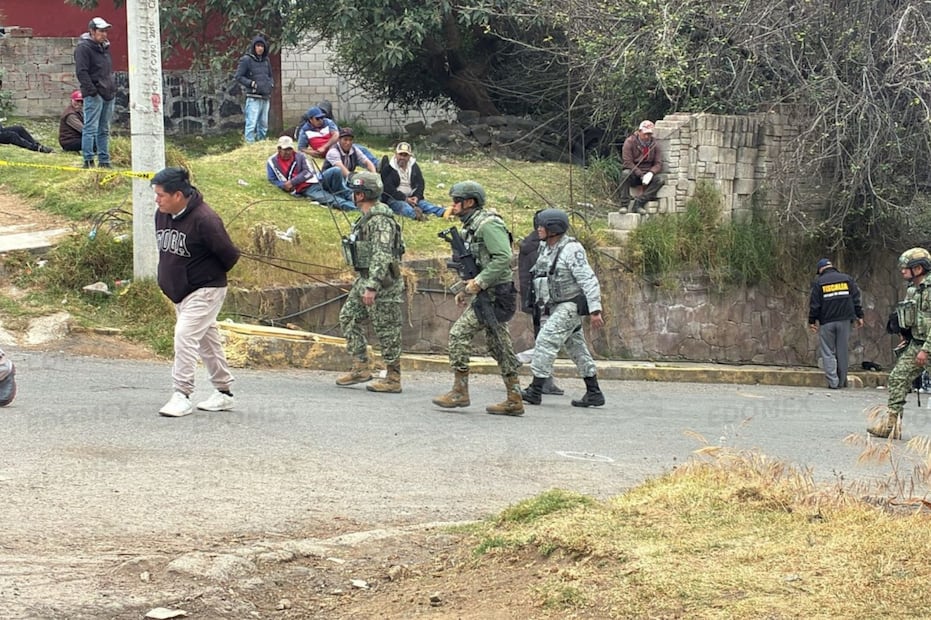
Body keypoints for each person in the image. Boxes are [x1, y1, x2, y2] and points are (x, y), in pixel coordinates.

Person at [151, 167, 241, 418]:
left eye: (161, 195)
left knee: (184, 334)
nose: (157, 200)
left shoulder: (206, 219)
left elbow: (229, 255)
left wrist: (203, 274)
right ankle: (223, 392)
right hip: (181, 292)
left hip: (206, 289)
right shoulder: (161, 215)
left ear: (178, 195)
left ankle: (182, 393)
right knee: (207, 340)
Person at [432, 181, 524, 416]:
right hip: (485, 293)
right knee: (499, 345)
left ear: (469, 202)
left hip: (496, 294)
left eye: (457, 201)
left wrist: (478, 283)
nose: (452, 206)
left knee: (459, 334)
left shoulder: (488, 225)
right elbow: (473, 264)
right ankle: (514, 398)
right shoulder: (470, 227)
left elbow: (503, 258)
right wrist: (464, 289)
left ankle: (460, 392)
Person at [520, 209, 606, 408]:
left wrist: (595, 310)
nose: (538, 229)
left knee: (545, 340)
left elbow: (588, 279)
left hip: (570, 305)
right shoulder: (545, 247)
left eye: (542, 226)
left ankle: (535, 390)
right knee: (577, 348)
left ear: (554, 229)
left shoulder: (571, 249)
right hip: (555, 305)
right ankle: (594, 392)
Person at [335, 171, 406, 393]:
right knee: (348, 317)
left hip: (383, 283)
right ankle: (361, 366)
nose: (353, 196)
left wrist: (372, 286)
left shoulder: (381, 220)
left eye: (356, 192)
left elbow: (382, 254)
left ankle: (393, 378)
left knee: (387, 330)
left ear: (362, 195)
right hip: (365, 278)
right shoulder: (366, 219)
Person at [867, 248, 931, 439]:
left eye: (906, 268)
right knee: (897, 378)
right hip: (916, 344)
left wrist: (926, 350)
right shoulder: (913, 290)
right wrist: (905, 335)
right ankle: (891, 426)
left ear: (918, 269)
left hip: (926, 346)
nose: (902, 271)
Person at [516, 210, 562, 395]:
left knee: (545, 339)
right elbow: (543, 275)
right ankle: (518, 360)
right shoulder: (538, 246)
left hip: (537, 300)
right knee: (549, 340)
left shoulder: (533, 243)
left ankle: (544, 381)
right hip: (542, 301)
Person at [808, 258, 864, 389]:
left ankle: (833, 382)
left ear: (820, 270)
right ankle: (842, 381)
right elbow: (856, 298)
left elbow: (815, 305)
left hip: (827, 322)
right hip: (845, 321)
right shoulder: (847, 279)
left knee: (828, 351)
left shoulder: (819, 282)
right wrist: (859, 315)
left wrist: (812, 321)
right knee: (842, 351)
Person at [266, 136, 355, 211]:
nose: (288, 152)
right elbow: (272, 179)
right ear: (279, 149)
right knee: (332, 200)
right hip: (307, 189)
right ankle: (355, 208)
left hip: (317, 180)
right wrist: (283, 185)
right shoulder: (272, 162)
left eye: (289, 149)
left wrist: (292, 182)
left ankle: (356, 199)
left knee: (336, 171)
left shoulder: (300, 156)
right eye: (285, 150)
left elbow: (309, 172)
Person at [74, 17, 115, 168]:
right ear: (92, 31)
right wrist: (92, 91)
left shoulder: (104, 47)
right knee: (90, 128)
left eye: (106, 31)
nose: (104, 34)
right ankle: (88, 160)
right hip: (95, 93)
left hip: (108, 92)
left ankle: (104, 160)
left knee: (104, 129)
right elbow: (81, 72)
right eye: (101, 31)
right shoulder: (83, 48)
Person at [380, 142, 447, 221]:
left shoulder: (414, 166)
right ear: (396, 154)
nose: (402, 157)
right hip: (395, 199)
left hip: (412, 197)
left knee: (426, 205)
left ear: (409, 156)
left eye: (405, 155)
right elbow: (388, 189)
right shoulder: (389, 168)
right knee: (404, 207)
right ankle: (417, 216)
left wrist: (417, 197)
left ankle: (445, 212)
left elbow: (421, 183)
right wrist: (405, 198)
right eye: (400, 154)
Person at [315, 100, 380, 170]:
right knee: (358, 151)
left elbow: (338, 131)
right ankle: (377, 164)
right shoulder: (312, 126)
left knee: (360, 150)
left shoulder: (329, 121)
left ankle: (377, 164)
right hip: (331, 148)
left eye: (325, 112)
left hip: (336, 144)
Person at [234, 35, 274, 143]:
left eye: (262, 46)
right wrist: (251, 83)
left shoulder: (266, 60)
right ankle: (249, 145)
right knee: (251, 123)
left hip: (265, 96)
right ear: (254, 47)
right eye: (258, 46)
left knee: (264, 124)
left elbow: (270, 75)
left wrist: (270, 84)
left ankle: (261, 144)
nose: (260, 48)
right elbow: (238, 76)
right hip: (253, 97)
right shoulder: (246, 60)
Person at [620, 120, 664, 215]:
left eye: (649, 134)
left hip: (648, 174)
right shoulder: (630, 142)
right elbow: (627, 162)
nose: (647, 137)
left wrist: (651, 173)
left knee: (660, 180)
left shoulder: (655, 144)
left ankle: (639, 203)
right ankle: (624, 204)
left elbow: (658, 163)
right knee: (625, 174)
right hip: (634, 173)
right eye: (645, 134)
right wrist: (640, 174)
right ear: (639, 131)